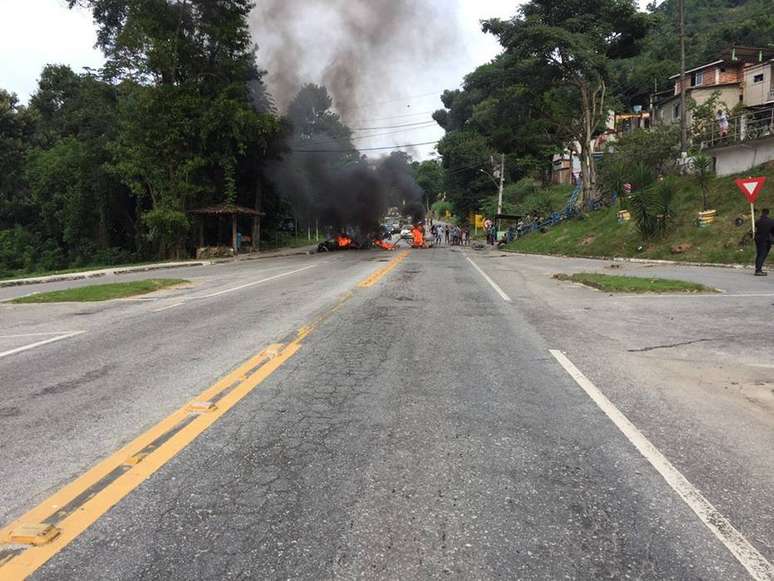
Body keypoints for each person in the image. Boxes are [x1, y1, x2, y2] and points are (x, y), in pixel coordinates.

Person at [754, 208, 774, 276]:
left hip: (758, 239)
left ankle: (758, 269)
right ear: (768, 213)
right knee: (762, 255)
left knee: (759, 254)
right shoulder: (771, 221)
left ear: (762, 213)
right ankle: (758, 271)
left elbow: (754, 229)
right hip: (766, 240)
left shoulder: (757, 221)